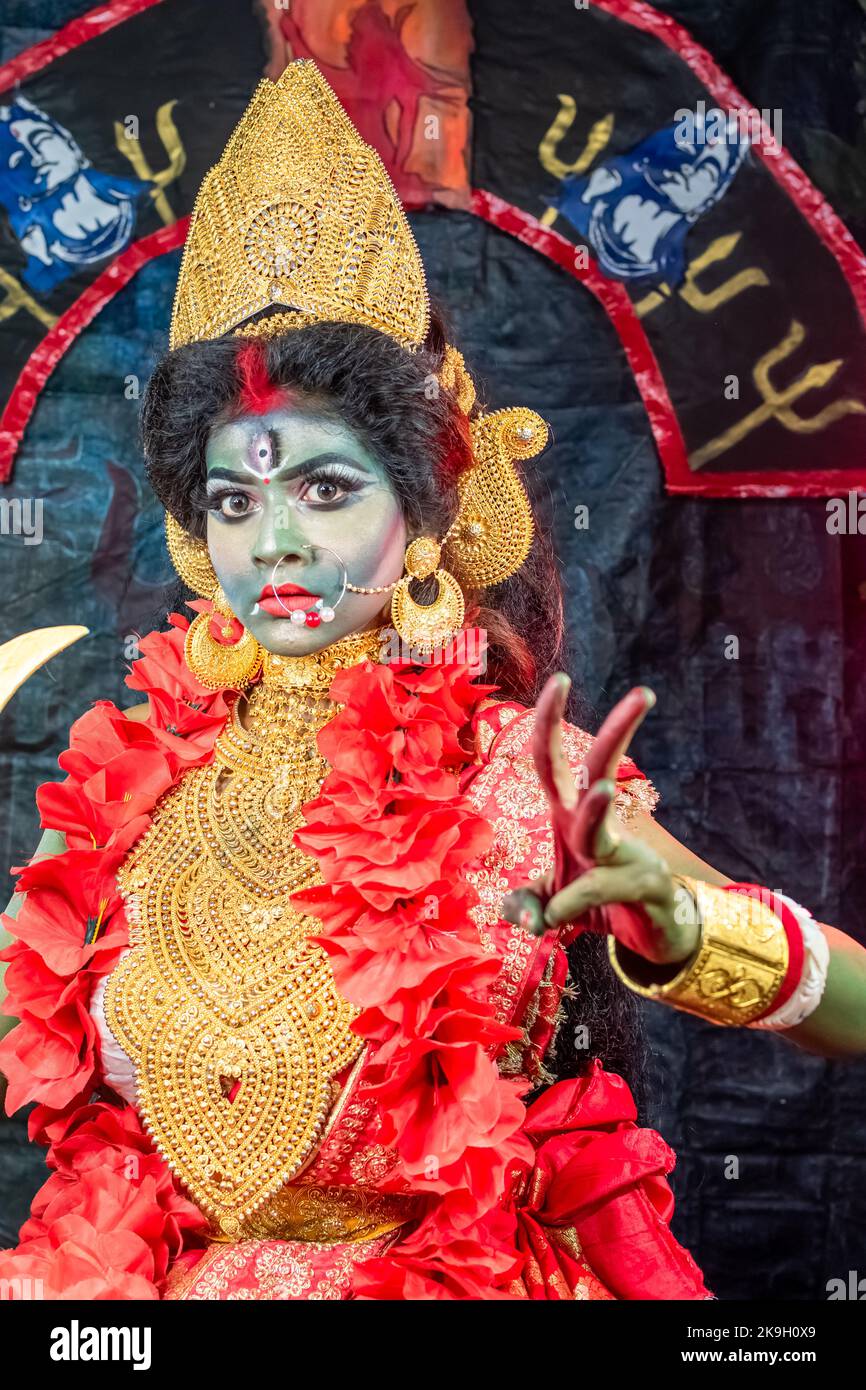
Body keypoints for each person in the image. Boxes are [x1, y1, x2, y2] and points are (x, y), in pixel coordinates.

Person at [0, 59, 864, 1302]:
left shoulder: (531, 778)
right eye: (235, 501)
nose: (277, 544)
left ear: (426, 509)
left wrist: (688, 931)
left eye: (328, 489)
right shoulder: (132, 799)